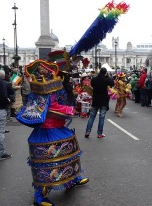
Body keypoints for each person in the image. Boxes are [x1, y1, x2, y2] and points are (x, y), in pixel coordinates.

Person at [16, 60, 89, 205]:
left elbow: (61, 103)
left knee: (69, 155)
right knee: (46, 164)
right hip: (46, 131)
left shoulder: (56, 87)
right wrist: (71, 110)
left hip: (59, 128)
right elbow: (50, 108)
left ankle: (71, 179)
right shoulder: (43, 91)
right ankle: (39, 196)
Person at [85, 67, 114, 138]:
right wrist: (107, 77)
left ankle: (87, 132)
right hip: (103, 100)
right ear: (105, 73)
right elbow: (112, 83)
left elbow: (92, 85)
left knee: (92, 117)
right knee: (102, 117)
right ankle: (99, 133)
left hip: (95, 100)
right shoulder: (106, 79)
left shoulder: (94, 79)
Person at [0, 70, 12, 160]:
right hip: (1, 109)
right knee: (0, 132)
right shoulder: (2, 83)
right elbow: (4, 96)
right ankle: (1, 152)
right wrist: (9, 101)